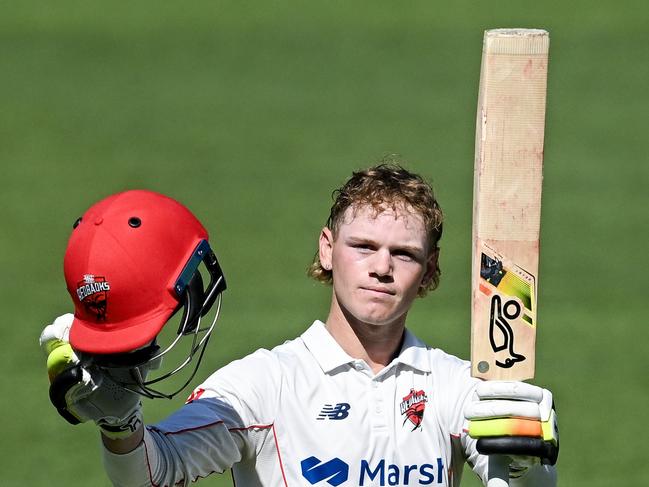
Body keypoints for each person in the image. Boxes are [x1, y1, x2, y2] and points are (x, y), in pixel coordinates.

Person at [41, 164, 558, 487]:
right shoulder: (262, 385)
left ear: (430, 269)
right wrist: (120, 426)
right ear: (328, 249)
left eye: (404, 253)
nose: (382, 267)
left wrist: (532, 466)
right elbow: (154, 473)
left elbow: (518, 483)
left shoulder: (461, 388)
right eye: (364, 247)